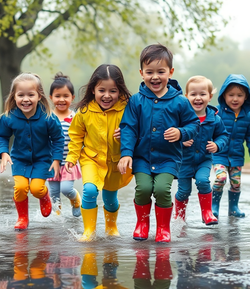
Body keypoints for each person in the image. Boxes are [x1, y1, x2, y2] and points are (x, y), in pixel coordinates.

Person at [118, 44, 199, 243]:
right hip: (142, 158)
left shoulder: (180, 101)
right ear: (141, 73)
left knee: (162, 189)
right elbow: (128, 127)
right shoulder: (136, 101)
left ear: (170, 72)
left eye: (161, 72)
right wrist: (126, 153)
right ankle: (142, 224)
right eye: (149, 72)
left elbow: (193, 124)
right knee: (144, 188)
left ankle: (163, 228)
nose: (155, 77)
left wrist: (181, 132)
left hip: (168, 158)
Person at [65, 64, 133, 242]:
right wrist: (72, 157)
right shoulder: (85, 111)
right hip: (91, 159)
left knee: (110, 197)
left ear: (120, 91)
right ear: (93, 89)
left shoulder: (127, 109)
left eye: (113, 91)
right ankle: (89, 231)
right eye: (101, 90)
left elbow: (137, 130)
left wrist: (126, 133)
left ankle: (111, 227)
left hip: (115, 161)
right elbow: (76, 136)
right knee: (89, 190)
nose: (107, 95)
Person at [0, 73, 65, 230]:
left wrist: (56, 159)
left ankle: (44, 196)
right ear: (14, 97)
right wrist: (4, 152)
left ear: (39, 96)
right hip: (19, 160)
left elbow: (58, 138)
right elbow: (1, 136)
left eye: (30, 95)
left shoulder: (48, 117)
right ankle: (22, 218)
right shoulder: (9, 117)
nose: (25, 99)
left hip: (42, 160)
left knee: (36, 189)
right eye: (21, 95)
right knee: (20, 188)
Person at [174, 76, 229, 226]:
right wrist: (181, 139)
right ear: (186, 97)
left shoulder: (215, 119)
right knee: (184, 191)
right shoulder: (182, 117)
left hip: (204, 159)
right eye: (193, 94)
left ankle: (207, 212)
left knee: (203, 181)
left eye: (202, 94)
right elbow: (171, 134)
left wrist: (217, 145)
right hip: (184, 161)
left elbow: (223, 135)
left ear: (210, 97)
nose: (198, 98)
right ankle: (179, 216)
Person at [211, 74, 250, 219]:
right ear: (224, 95)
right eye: (231, 95)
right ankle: (214, 206)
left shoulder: (249, 116)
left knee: (236, 183)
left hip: (237, 156)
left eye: (240, 95)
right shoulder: (216, 112)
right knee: (221, 178)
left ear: (246, 97)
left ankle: (233, 208)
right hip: (219, 154)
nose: (235, 99)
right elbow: (209, 130)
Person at [47, 72, 82, 217]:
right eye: (57, 96)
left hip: (69, 161)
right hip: (51, 161)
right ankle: (57, 216)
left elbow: (81, 136)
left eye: (65, 96)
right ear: (51, 98)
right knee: (54, 193)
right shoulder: (47, 117)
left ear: (72, 98)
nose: (61, 100)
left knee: (66, 189)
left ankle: (76, 200)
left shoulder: (75, 117)